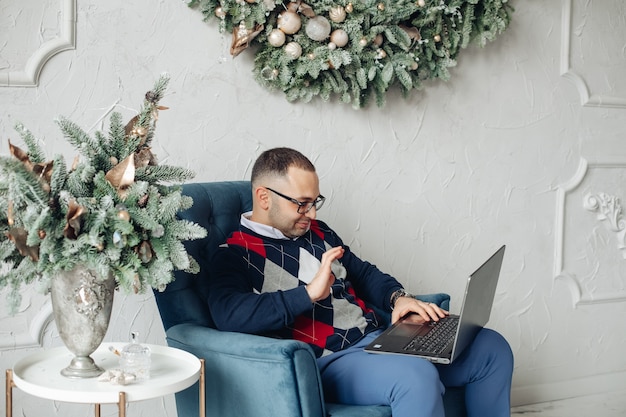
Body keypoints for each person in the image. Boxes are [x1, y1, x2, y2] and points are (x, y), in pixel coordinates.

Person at [208, 147, 514, 417]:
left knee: (491, 347)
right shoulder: (233, 253)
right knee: (414, 378)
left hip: (380, 342)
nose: (311, 213)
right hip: (330, 362)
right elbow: (229, 315)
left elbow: (363, 273)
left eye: (315, 202)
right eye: (302, 204)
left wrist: (399, 298)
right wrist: (308, 294)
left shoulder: (318, 233)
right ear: (264, 197)